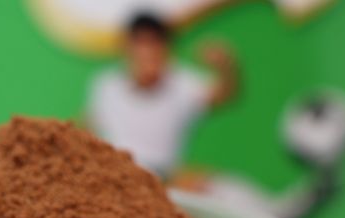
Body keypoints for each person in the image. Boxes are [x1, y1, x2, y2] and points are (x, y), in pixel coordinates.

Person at [87, 12, 239, 178]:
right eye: (141, 43)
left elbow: (223, 93)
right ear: (127, 47)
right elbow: (91, 123)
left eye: (154, 43)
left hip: (162, 179)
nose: (148, 52)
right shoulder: (107, 84)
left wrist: (225, 66)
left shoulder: (182, 83)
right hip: (114, 176)